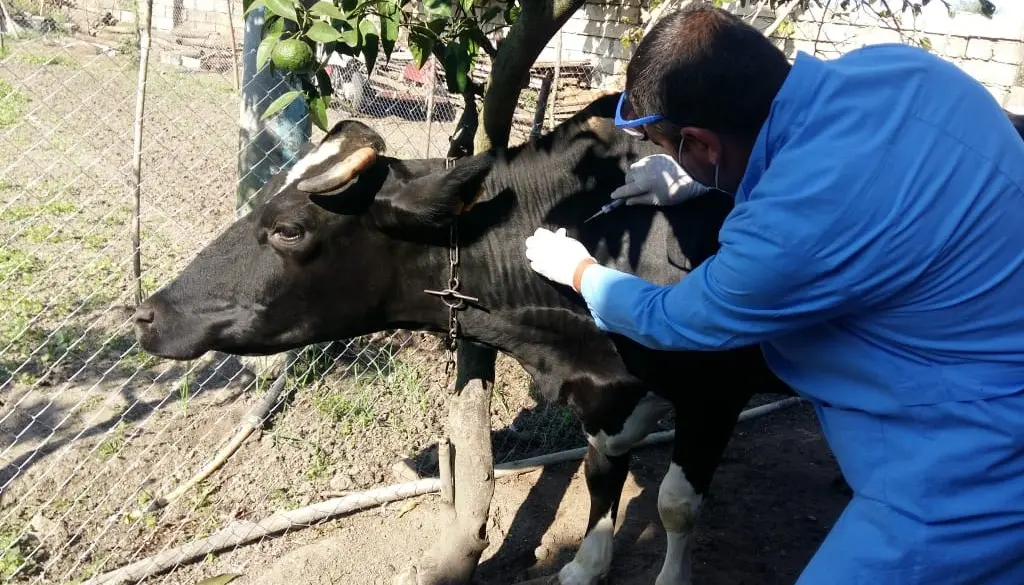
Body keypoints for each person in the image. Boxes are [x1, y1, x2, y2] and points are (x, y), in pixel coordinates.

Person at [523, 5, 1024, 585]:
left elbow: (675, 318)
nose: (668, 160)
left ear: (703, 144)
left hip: (975, 456)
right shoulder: (900, 69)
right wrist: (698, 177)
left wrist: (580, 269)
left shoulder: (788, 228)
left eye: (668, 148)